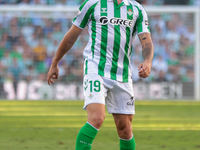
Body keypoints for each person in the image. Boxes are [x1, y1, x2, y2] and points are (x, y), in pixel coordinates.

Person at [47, 0, 154, 149]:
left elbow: (146, 39)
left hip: (122, 74)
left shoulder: (137, 9)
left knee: (125, 129)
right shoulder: (93, 4)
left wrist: (148, 61)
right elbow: (72, 36)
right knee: (97, 118)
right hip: (96, 69)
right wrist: (55, 62)